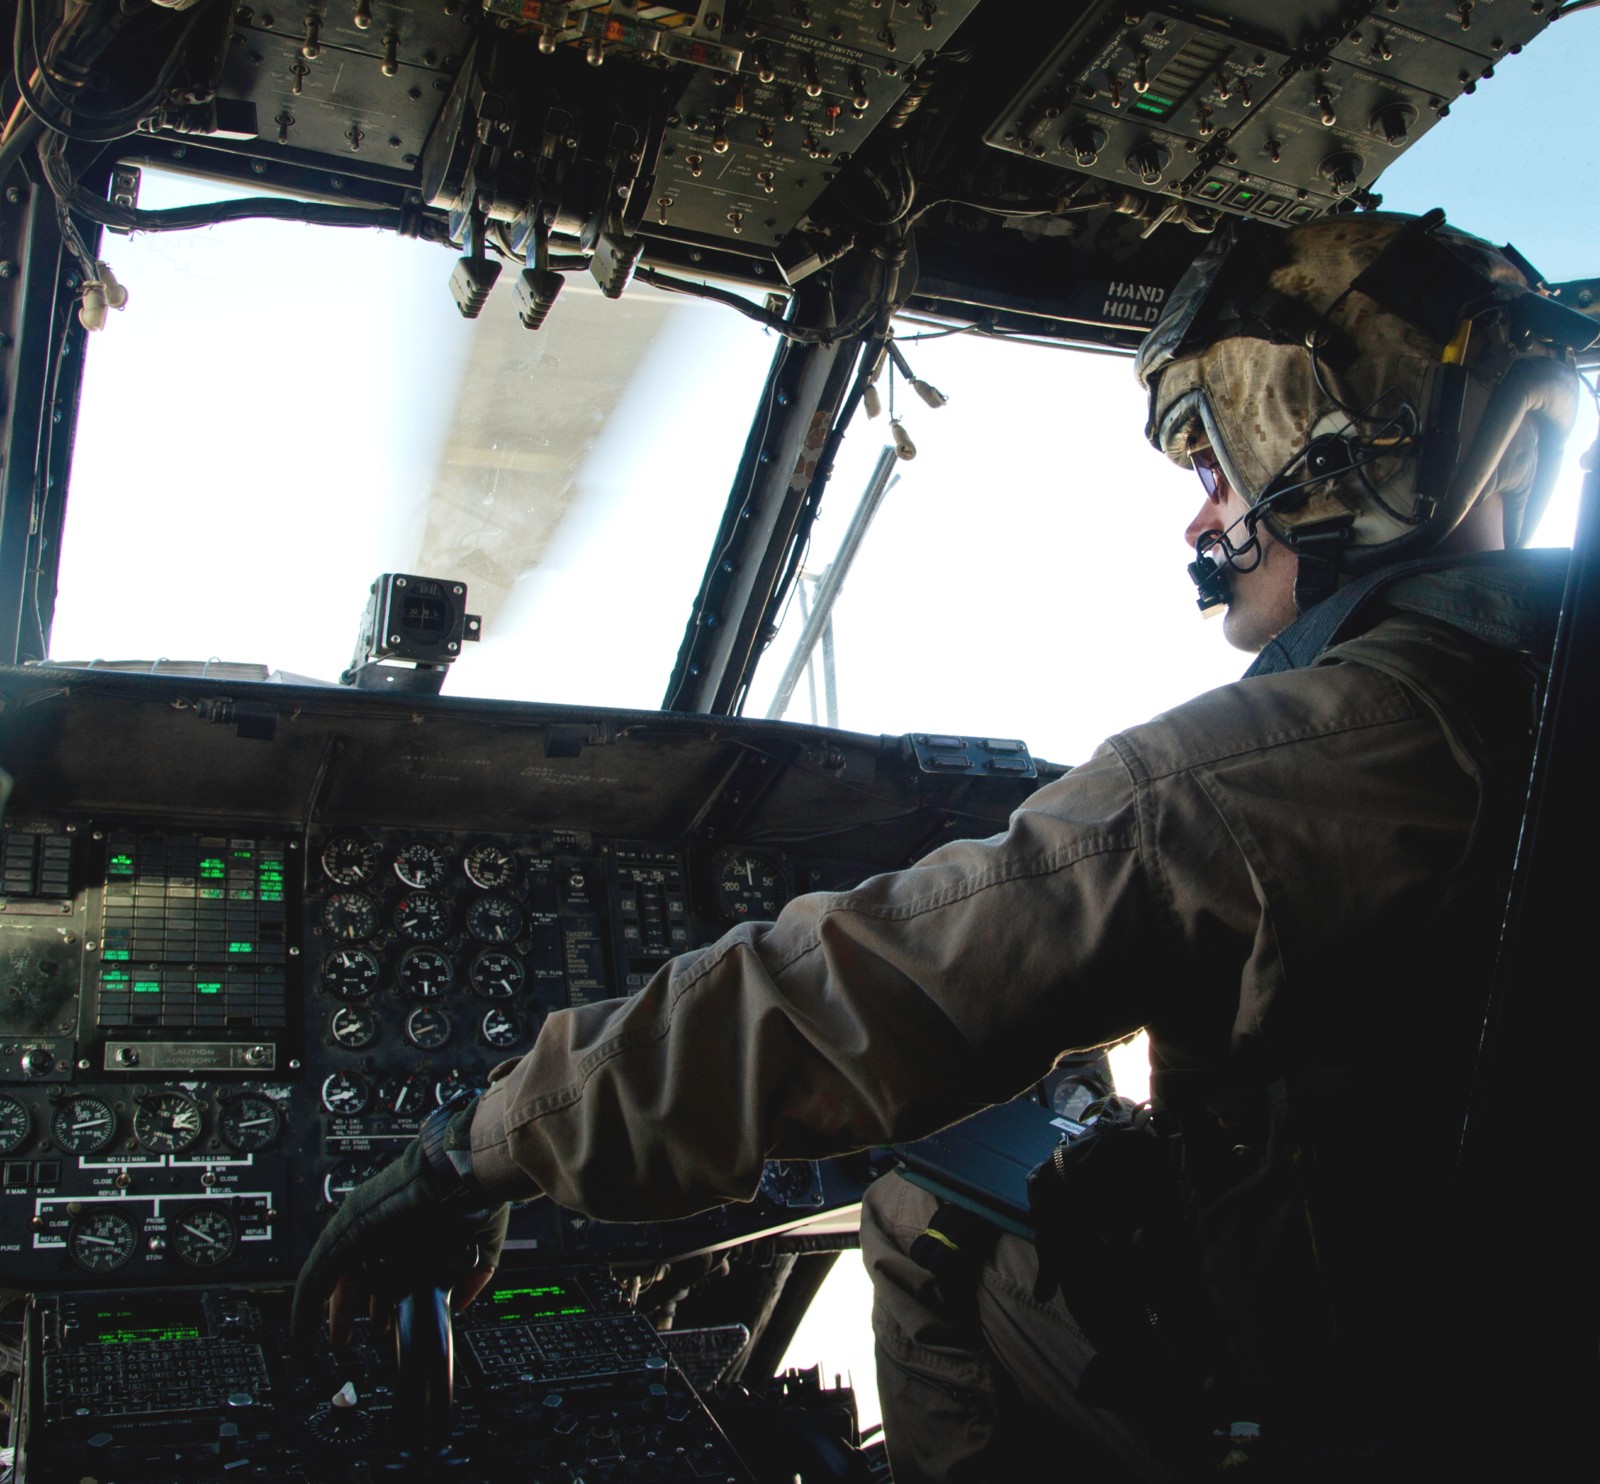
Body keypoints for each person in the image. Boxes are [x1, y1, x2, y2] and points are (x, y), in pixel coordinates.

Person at [294, 209, 1591, 1479]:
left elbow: (865, 988)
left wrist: (483, 1146)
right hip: (1511, 1380)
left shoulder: (1279, 762)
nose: (1200, 527)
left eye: (1213, 474)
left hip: (1351, 1415)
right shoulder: (1530, 699)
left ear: (1332, 444)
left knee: (919, 1220)